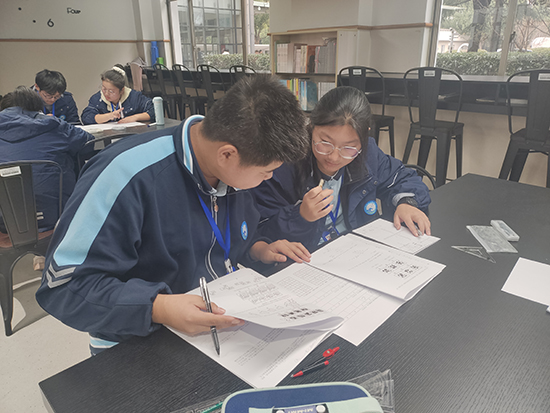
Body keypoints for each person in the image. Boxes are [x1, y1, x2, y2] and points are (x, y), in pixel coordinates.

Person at [36, 75, 311, 354]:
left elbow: (221, 241)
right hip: (137, 341)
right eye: (266, 172)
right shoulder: (125, 173)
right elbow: (63, 286)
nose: (269, 178)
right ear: (227, 155)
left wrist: (257, 249)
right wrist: (158, 307)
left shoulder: (231, 168)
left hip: (218, 325)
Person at [251, 86, 432, 252]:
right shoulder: (283, 166)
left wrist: (407, 202)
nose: (334, 157)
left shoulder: (368, 155)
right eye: (325, 142)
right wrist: (301, 216)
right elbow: (259, 232)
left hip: (357, 252)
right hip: (308, 258)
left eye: (348, 147)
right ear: (311, 126)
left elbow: (403, 177)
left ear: (364, 137)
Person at [0, 86, 93, 232]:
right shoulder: (55, 126)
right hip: (58, 215)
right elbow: (88, 142)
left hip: (6, 223)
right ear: (36, 108)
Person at [81, 65, 154, 125]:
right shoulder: (97, 99)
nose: (106, 93)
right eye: (104, 89)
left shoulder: (134, 97)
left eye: (111, 91)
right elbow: (86, 117)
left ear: (122, 90)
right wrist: (109, 116)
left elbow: (154, 110)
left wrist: (134, 117)